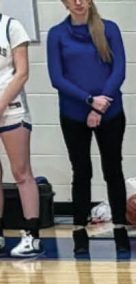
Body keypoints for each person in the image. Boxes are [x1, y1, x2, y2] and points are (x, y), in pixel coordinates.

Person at [49, 0, 129, 254]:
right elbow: (57, 78)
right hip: (74, 113)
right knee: (81, 171)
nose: (78, 2)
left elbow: (119, 71)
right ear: (64, 3)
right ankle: (79, 230)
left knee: (112, 168)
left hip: (109, 112)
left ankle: (120, 226)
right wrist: (88, 101)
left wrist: (99, 106)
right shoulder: (57, 34)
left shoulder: (109, 29)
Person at [2, 7, 38, 257]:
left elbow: (22, 72)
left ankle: (32, 235)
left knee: (21, 172)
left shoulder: (11, 26)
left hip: (12, 108)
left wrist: (1, 103)